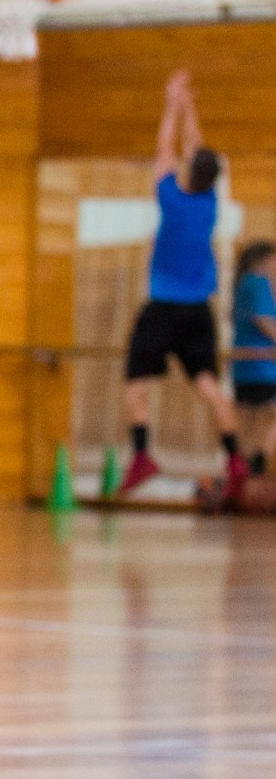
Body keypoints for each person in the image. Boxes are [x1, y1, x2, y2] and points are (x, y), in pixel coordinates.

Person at [119, 69, 244, 499]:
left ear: (190, 171)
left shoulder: (171, 198)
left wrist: (173, 101)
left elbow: (166, 148)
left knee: (136, 385)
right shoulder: (208, 202)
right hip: (198, 312)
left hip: (164, 307)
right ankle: (236, 458)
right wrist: (190, 104)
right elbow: (195, 149)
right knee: (210, 386)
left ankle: (141, 456)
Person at [230, 240, 276, 476]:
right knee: (265, 418)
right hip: (261, 367)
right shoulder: (258, 283)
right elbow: (263, 320)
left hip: (244, 369)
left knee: (249, 422)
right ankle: (256, 464)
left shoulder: (243, 285)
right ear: (265, 260)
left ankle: (246, 467)